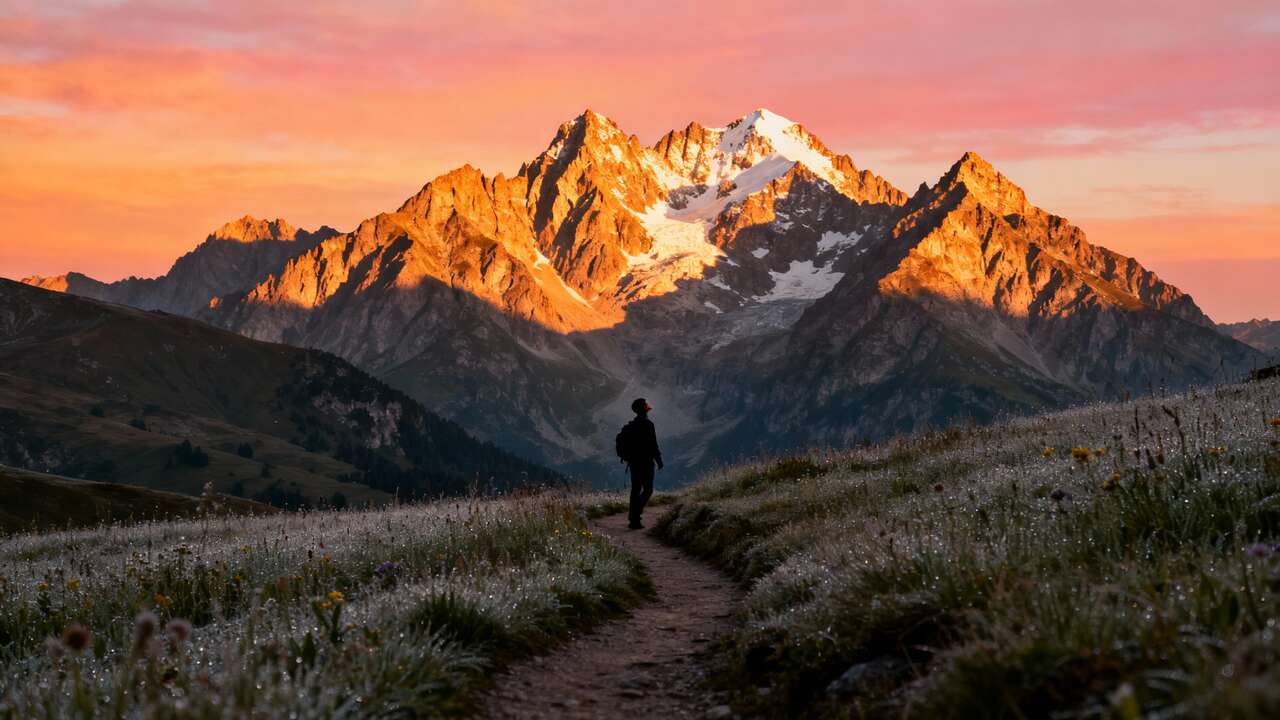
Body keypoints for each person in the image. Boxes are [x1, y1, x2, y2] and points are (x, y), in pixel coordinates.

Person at [621, 397, 662, 529]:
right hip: (646, 462)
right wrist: (659, 460)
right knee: (648, 489)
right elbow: (653, 445)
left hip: (634, 462)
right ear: (644, 409)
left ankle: (634, 519)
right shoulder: (649, 425)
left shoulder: (631, 426)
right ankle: (635, 515)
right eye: (646, 406)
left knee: (635, 489)